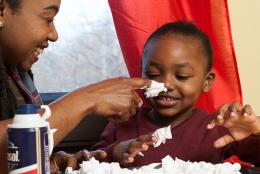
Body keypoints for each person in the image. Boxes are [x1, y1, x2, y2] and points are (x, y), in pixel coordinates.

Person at [0, 0, 151, 172]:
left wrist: (49, 163)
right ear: (2, 10)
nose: (54, 35)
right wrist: (88, 99)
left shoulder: (18, 77)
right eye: (48, 19)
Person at [91, 21, 260, 168]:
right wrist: (114, 152)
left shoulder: (218, 129)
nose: (166, 85)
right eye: (153, 74)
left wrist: (257, 131)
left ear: (206, 82)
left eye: (182, 76)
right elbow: (89, 163)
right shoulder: (122, 123)